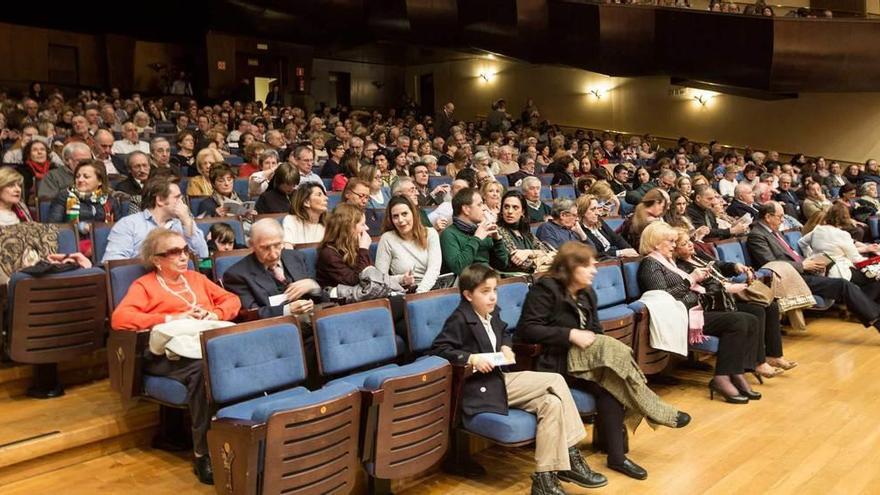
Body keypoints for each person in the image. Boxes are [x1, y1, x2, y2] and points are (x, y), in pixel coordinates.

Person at [517, 242, 691, 481]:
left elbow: (596, 329)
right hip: (557, 361)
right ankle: (654, 408)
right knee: (614, 354)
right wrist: (570, 334)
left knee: (612, 383)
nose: (594, 270)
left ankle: (617, 458)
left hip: (587, 360)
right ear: (570, 267)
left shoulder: (587, 291)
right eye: (587, 265)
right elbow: (528, 329)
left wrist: (589, 340)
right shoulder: (545, 290)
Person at [430, 263, 607, 494]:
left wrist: (505, 345)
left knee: (551, 403)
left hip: (500, 381)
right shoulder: (460, 318)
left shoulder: (491, 312)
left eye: (494, 290)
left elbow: (504, 331)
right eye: (485, 292)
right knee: (554, 380)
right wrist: (471, 358)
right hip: (480, 388)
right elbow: (439, 349)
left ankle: (544, 480)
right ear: (467, 295)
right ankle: (572, 454)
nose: (492, 297)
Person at [111, 228, 241, 485]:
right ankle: (203, 453)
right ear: (157, 260)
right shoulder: (144, 285)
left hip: (200, 343)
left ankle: (242, 435)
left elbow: (232, 300)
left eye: (184, 250)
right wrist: (171, 318)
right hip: (164, 353)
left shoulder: (196, 278)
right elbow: (120, 319)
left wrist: (213, 314)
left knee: (230, 360)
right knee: (205, 372)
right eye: (174, 252)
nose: (183, 256)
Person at [638, 222, 762, 404]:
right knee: (738, 321)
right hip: (681, 316)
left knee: (751, 318)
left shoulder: (667, 261)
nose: (674, 245)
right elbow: (663, 297)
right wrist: (691, 280)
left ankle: (735, 372)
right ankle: (721, 378)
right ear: (657, 243)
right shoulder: (650, 265)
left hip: (695, 309)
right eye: (671, 241)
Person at [673, 228, 796, 376]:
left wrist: (735, 267)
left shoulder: (697, 255)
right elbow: (701, 289)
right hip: (715, 301)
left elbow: (718, 265)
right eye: (684, 243)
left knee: (770, 306)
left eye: (689, 241)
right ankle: (758, 362)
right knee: (757, 310)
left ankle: (774, 355)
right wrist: (728, 287)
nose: (690, 245)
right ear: (675, 250)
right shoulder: (680, 267)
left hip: (727, 295)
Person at [747, 202, 880, 332]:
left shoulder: (774, 231)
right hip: (789, 277)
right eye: (780, 216)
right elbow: (770, 262)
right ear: (768, 217)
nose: (783, 220)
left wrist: (812, 262)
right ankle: (876, 321)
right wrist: (803, 265)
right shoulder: (757, 235)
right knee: (844, 285)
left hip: (803, 270)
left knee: (854, 283)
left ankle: (874, 316)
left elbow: (792, 254)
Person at [223, 219, 322, 319]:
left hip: (312, 320)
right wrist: (287, 311)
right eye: (265, 248)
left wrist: (313, 286)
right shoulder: (236, 275)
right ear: (251, 245)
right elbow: (250, 314)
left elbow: (324, 299)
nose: (274, 254)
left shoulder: (297, 257)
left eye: (277, 245)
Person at [102, 177, 209, 262]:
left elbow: (203, 256)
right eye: (177, 198)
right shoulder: (129, 224)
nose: (182, 203)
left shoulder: (182, 223)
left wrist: (187, 221)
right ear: (160, 200)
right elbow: (113, 262)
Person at [47, 160, 124, 253]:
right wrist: (80, 227)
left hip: (104, 243)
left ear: (100, 181)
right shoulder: (64, 197)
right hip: (73, 245)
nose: (80, 180)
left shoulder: (109, 200)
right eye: (77, 176)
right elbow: (52, 227)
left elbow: (120, 227)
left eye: (86, 177)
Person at [799, 202, 880, 284]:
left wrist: (809, 256)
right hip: (838, 273)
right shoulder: (843, 235)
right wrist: (872, 261)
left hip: (819, 272)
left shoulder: (817, 229)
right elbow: (856, 259)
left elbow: (801, 242)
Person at [374, 196, 442, 293]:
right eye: (395, 216)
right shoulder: (387, 238)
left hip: (430, 289)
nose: (400, 220)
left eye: (404, 214)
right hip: (405, 292)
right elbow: (380, 279)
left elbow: (434, 269)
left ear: (413, 214)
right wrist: (401, 279)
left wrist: (420, 293)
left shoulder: (430, 233)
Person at [439, 188, 509, 276]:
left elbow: (503, 264)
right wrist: (476, 238)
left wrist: (497, 240)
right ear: (466, 209)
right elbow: (458, 268)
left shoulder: (482, 230)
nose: (484, 208)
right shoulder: (448, 234)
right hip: (466, 285)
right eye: (479, 205)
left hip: (488, 279)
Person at [496, 190, 556, 273]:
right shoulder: (499, 231)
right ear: (501, 211)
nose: (510, 211)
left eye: (515, 207)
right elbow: (522, 263)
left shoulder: (526, 232)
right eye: (506, 207)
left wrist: (528, 252)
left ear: (522, 212)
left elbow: (547, 252)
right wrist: (541, 258)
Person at [282, 183, 327, 247]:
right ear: (306, 202)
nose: (326, 198)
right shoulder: (291, 220)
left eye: (324, 195)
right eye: (319, 195)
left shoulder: (328, 223)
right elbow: (287, 248)